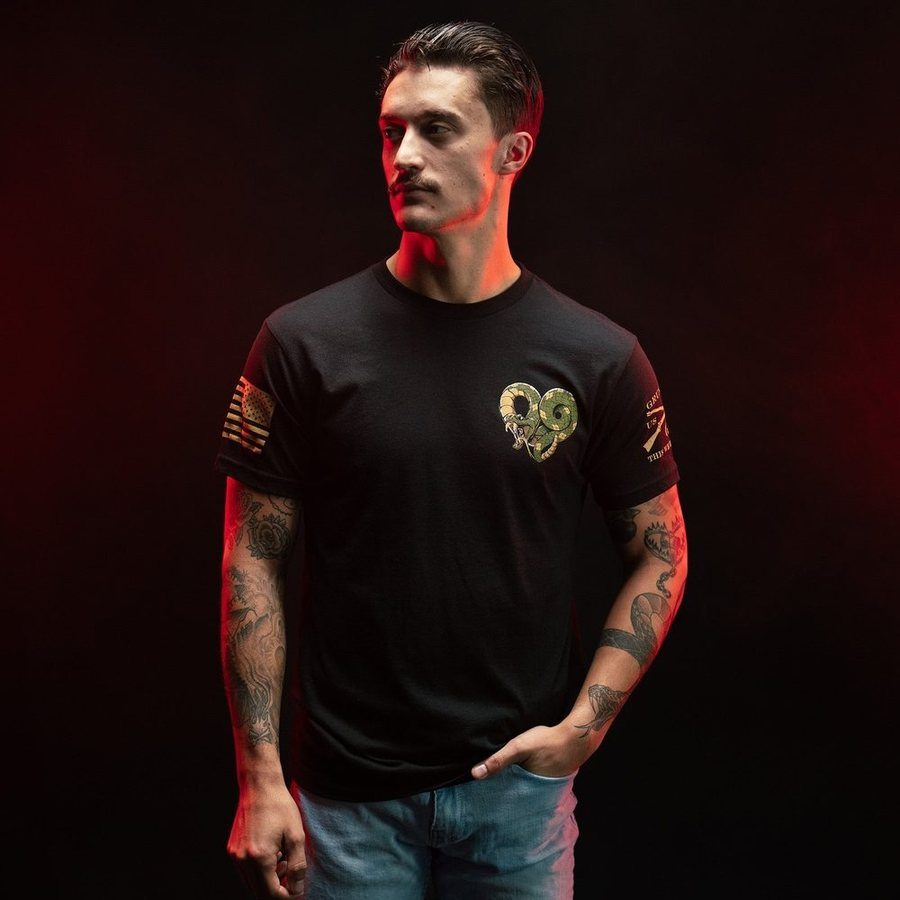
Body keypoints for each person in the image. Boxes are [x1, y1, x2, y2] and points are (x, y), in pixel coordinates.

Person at [215, 20, 687, 900]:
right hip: (347, 803)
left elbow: (661, 552)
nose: (403, 156)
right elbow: (253, 559)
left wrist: (582, 729)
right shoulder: (302, 344)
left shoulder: (598, 358)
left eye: (436, 129)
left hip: (518, 800)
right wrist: (261, 778)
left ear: (513, 151)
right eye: (391, 131)